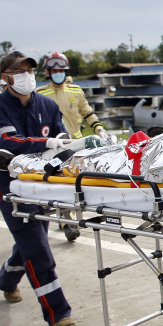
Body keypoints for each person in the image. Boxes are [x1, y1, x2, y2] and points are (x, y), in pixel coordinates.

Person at [0, 50, 77, 326]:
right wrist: (47, 142)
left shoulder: (47, 105)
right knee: (38, 248)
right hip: (11, 186)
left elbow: (61, 137)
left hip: (41, 183)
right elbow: (7, 141)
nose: (26, 76)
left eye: (29, 71)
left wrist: (63, 143)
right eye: (19, 71)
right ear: (6, 77)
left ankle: (7, 279)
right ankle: (58, 313)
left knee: (31, 242)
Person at [36, 51, 107, 241]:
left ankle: (77, 216)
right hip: (56, 147)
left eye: (61, 70)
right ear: (48, 72)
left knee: (78, 183)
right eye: (54, 70)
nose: (58, 73)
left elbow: (87, 113)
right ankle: (68, 222)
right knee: (60, 185)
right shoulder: (41, 94)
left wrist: (99, 129)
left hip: (78, 145)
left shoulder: (76, 91)